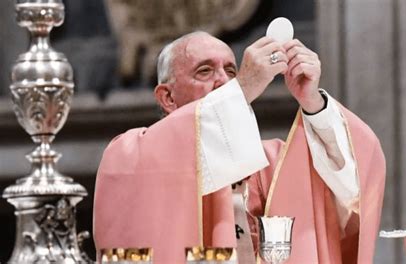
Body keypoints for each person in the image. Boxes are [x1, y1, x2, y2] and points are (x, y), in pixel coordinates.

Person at [93, 31, 385, 263]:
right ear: (167, 97)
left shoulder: (274, 161)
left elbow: (354, 188)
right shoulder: (130, 153)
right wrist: (243, 86)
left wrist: (313, 104)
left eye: (232, 71)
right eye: (205, 71)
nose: (224, 81)